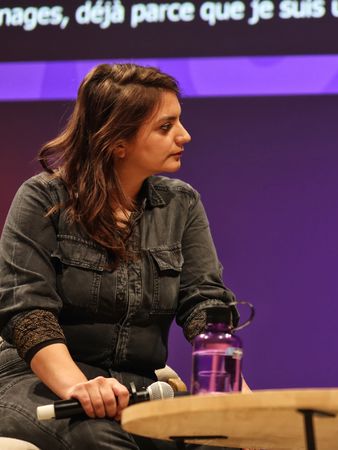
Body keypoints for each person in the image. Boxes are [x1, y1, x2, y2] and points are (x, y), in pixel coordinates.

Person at [0, 63, 239, 449]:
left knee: (217, 439)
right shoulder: (43, 199)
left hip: (136, 385)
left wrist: (233, 391)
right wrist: (79, 386)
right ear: (117, 142)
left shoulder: (181, 203)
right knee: (102, 437)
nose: (185, 135)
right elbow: (27, 313)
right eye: (166, 127)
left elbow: (205, 305)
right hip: (34, 382)